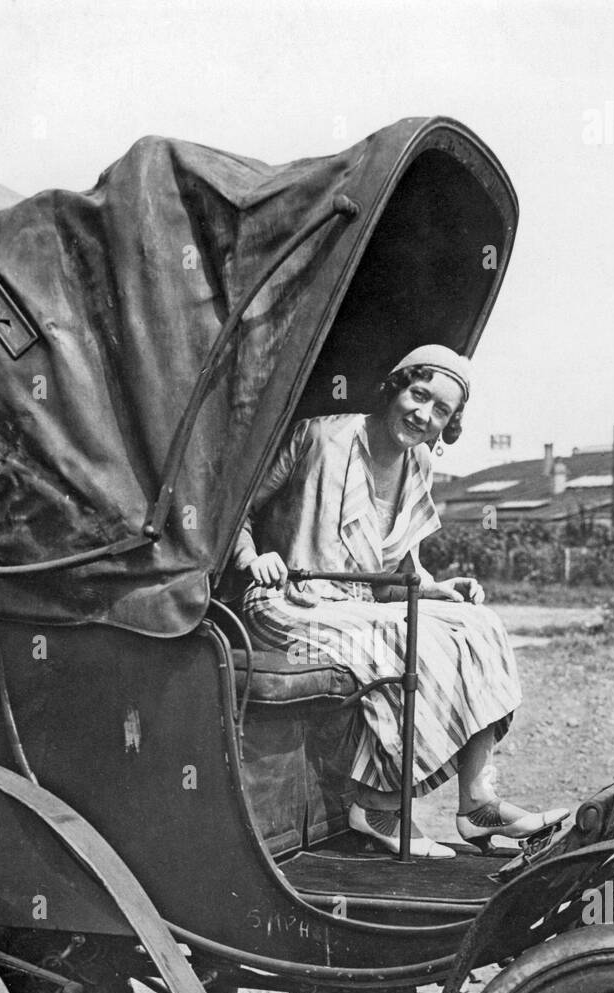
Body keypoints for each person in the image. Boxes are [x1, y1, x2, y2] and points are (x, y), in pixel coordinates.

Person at [233, 344, 568, 858]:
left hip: (353, 608)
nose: (423, 415)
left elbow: (391, 578)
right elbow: (233, 511)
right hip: (287, 605)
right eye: (419, 395)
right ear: (396, 387)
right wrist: (252, 558)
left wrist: (438, 589)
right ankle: (378, 806)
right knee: (408, 639)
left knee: (476, 624)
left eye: (441, 411)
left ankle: (476, 804)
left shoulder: (417, 467)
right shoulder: (319, 436)